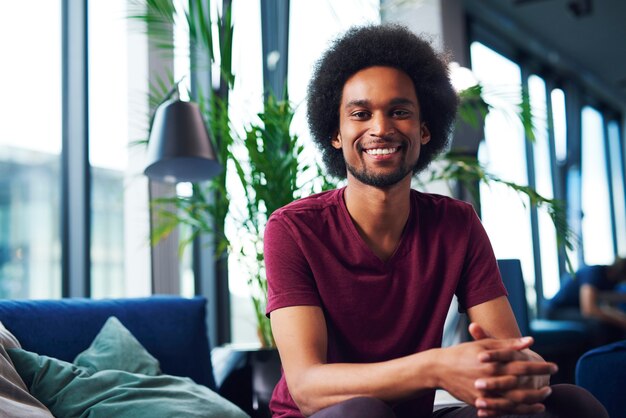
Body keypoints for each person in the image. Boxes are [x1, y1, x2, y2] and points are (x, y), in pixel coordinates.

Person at [263, 24, 607, 418]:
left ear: (424, 129)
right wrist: (434, 368)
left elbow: (508, 349)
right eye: (360, 114)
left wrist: (518, 372)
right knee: (365, 413)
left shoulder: (456, 224)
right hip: (326, 414)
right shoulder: (293, 229)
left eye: (399, 112)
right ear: (336, 134)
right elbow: (306, 386)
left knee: (570, 404)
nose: (381, 128)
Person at [546, 258, 626, 332]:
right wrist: (621, 320)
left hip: (577, 310)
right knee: (598, 324)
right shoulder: (593, 273)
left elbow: (607, 306)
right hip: (558, 311)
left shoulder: (611, 282)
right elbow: (589, 310)